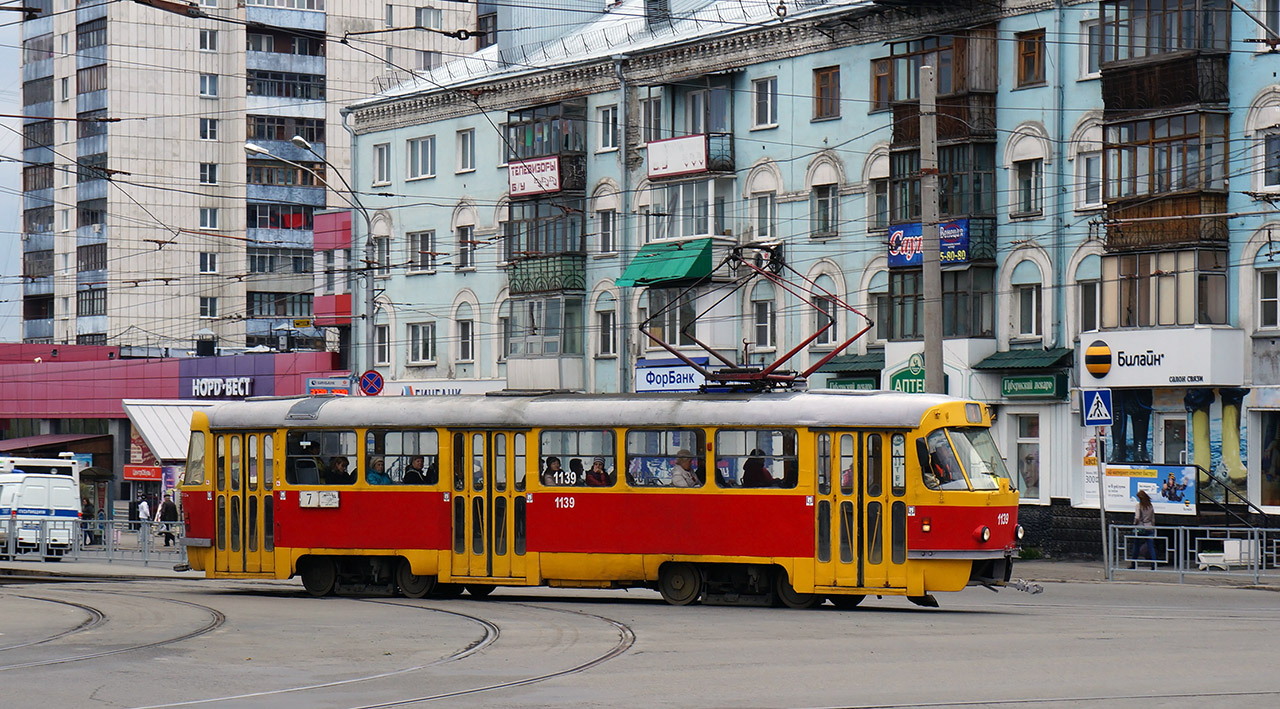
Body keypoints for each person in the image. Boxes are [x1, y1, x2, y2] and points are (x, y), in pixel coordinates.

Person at [1132, 489, 1157, 567]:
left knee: (1136, 546)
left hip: (1140, 527)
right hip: (1149, 527)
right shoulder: (1150, 506)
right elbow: (1153, 518)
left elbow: (1137, 517)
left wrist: (1134, 524)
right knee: (1151, 547)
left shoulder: (1138, 506)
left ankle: (1133, 563)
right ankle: (1154, 564)